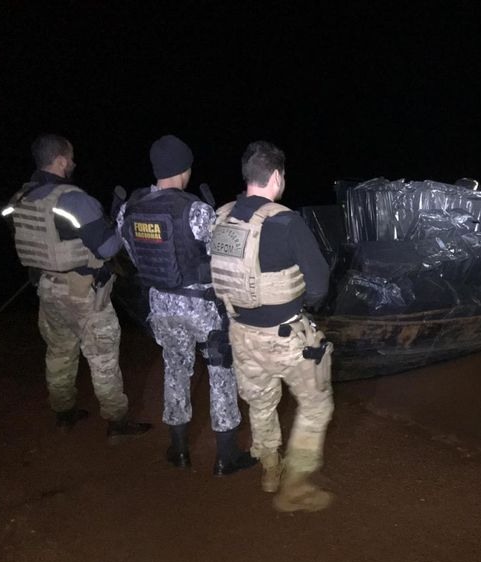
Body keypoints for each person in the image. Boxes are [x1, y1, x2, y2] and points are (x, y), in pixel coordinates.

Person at [118, 134, 255, 476]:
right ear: (185, 169)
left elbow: (133, 256)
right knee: (221, 373)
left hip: (160, 306)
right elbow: (229, 252)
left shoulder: (128, 210)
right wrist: (235, 218)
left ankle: (178, 449)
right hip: (201, 308)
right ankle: (226, 456)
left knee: (175, 369)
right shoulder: (194, 209)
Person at [2, 133, 151, 442]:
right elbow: (109, 248)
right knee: (103, 358)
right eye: (70, 157)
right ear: (60, 161)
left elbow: (21, 231)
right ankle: (117, 422)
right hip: (82, 293)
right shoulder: (73, 199)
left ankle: (64, 413)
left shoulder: (21, 199)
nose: (74, 162)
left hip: (46, 288)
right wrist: (117, 227)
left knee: (58, 352)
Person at [210, 140, 334, 511]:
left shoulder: (222, 218)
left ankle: (269, 470)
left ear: (248, 177)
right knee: (315, 406)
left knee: (261, 403)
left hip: (240, 334)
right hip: (284, 337)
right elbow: (319, 284)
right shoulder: (286, 221)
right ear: (276, 177)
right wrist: (302, 305)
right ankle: (295, 485)